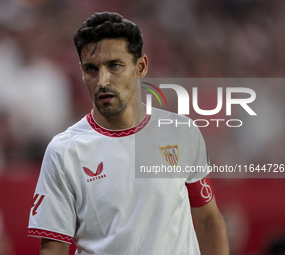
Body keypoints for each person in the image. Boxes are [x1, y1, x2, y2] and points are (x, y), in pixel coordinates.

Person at [28, 12, 229, 255]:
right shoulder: (64, 151)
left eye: (114, 66)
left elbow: (208, 221)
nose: (102, 80)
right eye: (92, 69)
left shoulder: (182, 133)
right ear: (81, 72)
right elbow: (53, 248)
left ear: (141, 67)